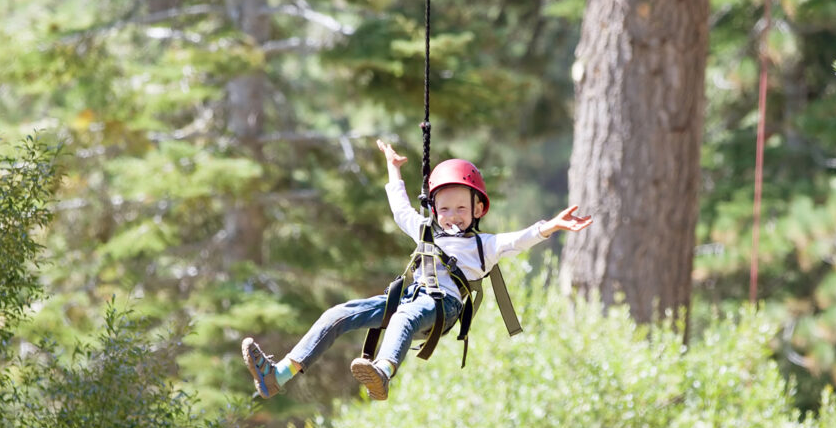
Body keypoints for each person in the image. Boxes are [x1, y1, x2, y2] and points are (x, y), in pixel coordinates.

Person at [241, 139, 593, 401]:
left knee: (404, 318)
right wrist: (394, 168)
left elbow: (521, 239)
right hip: (410, 297)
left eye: (460, 208)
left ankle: (383, 370)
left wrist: (551, 226)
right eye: (444, 208)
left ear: (477, 209)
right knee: (339, 313)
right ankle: (279, 375)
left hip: (441, 306)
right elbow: (400, 208)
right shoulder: (426, 229)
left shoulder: (484, 246)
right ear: (434, 210)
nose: (452, 216)